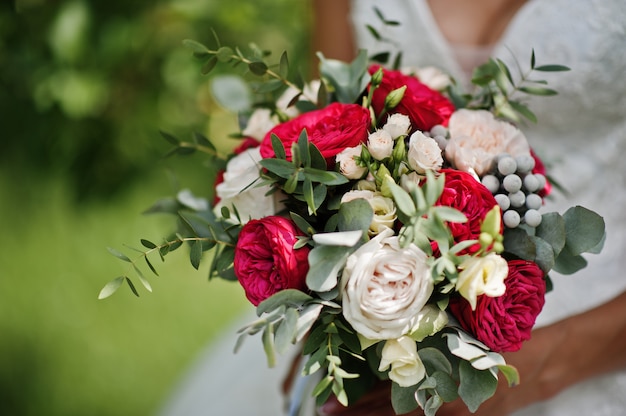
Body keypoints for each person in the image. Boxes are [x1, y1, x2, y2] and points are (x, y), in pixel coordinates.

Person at [313, 0, 626, 415]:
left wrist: (539, 369)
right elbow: (329, 134)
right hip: (391, 335)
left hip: (599, 329)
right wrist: (329, 321)